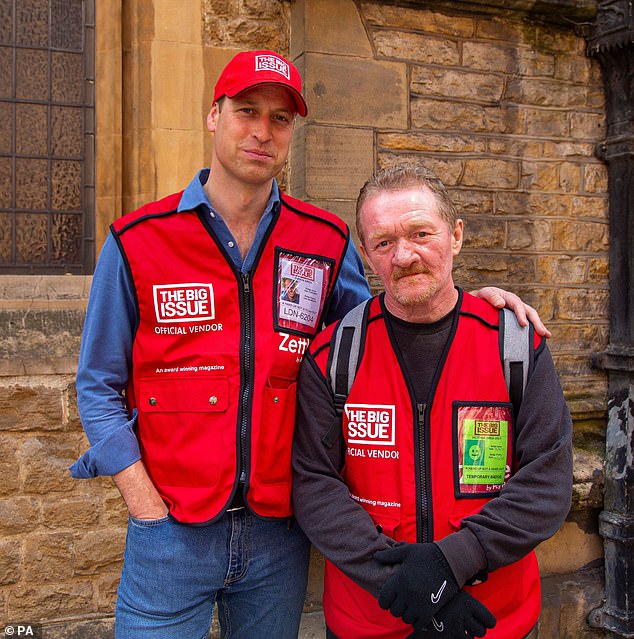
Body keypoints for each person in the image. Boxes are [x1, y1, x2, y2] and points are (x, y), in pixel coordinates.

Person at [70, 50, 548, 639]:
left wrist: (479, 303)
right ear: (213, 116)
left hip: (281, 534)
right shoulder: (139, 240)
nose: (262, 131)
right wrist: (144, 503)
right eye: (247, 111)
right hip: (173, 529)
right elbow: (96, 384)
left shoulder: (322, 241)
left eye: (280, 118)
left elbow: (386, 328)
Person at [292, 163, 573, 639]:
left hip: (492, 619)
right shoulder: (334, 354)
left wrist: (455, 560)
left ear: (456, 235)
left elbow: (548, 481)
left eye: (421, 233)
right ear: (366, 254)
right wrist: (410, 584)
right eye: (383, 242)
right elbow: (314, 484)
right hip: (373, 618)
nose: (404, 255)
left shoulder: (515, 344)